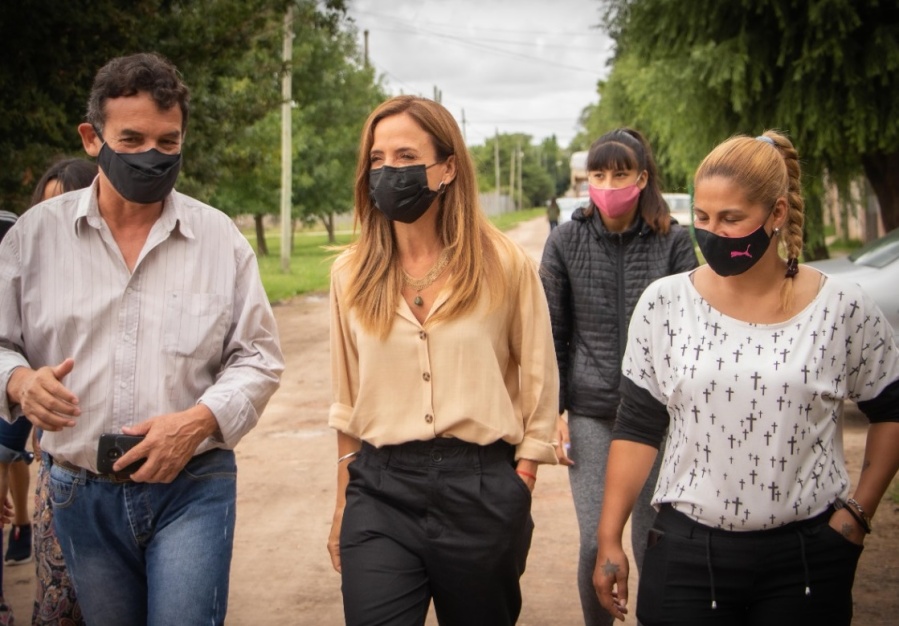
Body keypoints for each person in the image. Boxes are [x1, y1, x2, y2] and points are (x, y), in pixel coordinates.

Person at [0, 53, 284, 625]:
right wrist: (20, 379)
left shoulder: (219, 238)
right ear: (91, 137)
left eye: (167, 141)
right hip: (79, 494)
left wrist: (200, 420)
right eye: (130, 139)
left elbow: (258, 357)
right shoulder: (34, 239)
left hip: (193, 487)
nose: (151, 155)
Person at [594, 131, 899, 626]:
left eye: (732, 219)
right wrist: (609, 539)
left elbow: (891, 408)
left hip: (805, 562)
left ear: (776, 214)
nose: (713, 233)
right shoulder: (665, 304)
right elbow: (638, 426)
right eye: (703, 218)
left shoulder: (841, 307)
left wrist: (857, 515)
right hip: (686, 557)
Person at [327, 94, 559, 626]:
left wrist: (521, 477)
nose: (389, 171)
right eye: (378, 160)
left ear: (448, 167)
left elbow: (540, 377)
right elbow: (347, 399)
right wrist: (343, 502)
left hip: (480, 487)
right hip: (381, 490)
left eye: (407, 157)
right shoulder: (350, 273)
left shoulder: (504, 264)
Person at [540, 128, 698, 625]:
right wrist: (555, 412)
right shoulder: (565, 239)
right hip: (591, 415)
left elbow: (693, 331)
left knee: (654, 539)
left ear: (641, 177)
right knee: (594, 542)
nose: (609, 184)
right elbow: (552, 332)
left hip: (658, 420)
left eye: (621, 173)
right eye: (598, 174)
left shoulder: (673, 240)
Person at [23, 157, 97, 625]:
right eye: (44, 209)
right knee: (61, 605)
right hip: (55, 472)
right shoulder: (26, 283)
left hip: (118, 475)